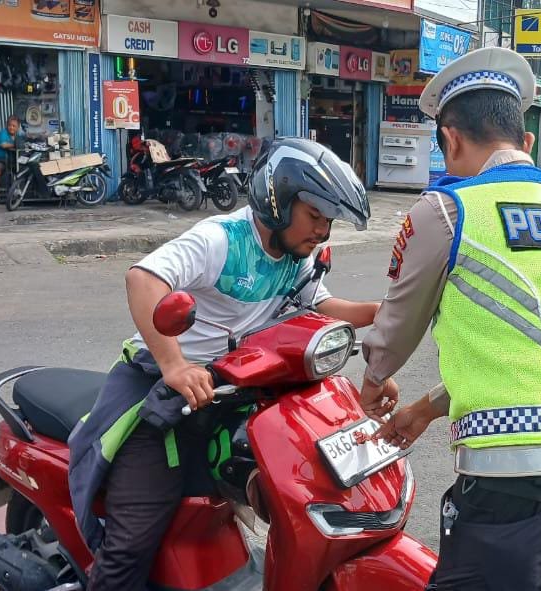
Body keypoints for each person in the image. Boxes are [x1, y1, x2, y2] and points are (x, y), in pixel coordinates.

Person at [360, 47, 541, 591]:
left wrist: (370, 387)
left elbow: (394, 333)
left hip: (513, 476)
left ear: (451, 139)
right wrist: (428, 408)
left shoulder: (447, 210)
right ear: (526, 141)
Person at [67, 138, 383, 591]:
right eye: (315, 217)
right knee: (129, 547)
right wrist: (175, 365)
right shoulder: (221, 239)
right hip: (158, 395)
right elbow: (143, 279)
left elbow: (321, 304)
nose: (322, 232)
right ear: (279, 202)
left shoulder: (297, 255)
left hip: (227, 393)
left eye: (328, 222)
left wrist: (384, 311)